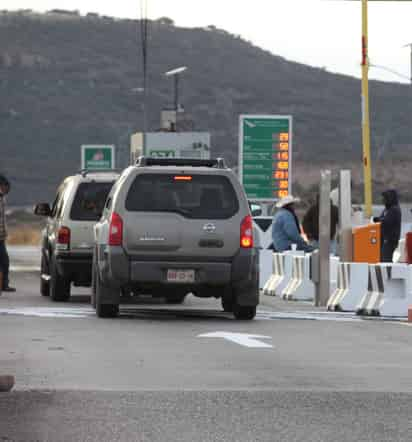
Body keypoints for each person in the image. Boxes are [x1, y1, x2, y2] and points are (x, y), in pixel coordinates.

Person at [373, 189, 402, 263]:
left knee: (386, 260)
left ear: (390, 198)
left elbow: (387, 222)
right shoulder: (387, 209)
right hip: (384, 239)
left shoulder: (394, 209)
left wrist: (378, 220)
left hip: (390, 240)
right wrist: (378, 219)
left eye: (384, 198)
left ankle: (389, 274)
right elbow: (382, 219)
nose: (382, 200)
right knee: (382, 259)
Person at [0, 175, 15, 293]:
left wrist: (4, 233)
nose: (7, 190)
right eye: (5, 187)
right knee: (4, 261)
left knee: (5, 261)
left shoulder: (2, 198)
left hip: (1, 237)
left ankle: (4, 284)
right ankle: (4, 284)